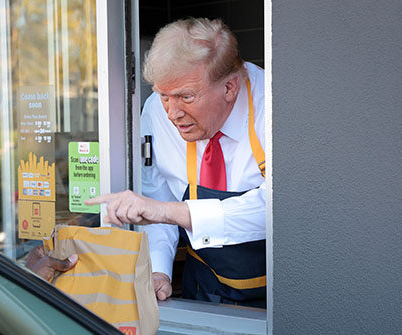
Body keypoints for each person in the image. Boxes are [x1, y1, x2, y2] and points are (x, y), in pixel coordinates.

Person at [85, 18, 266, 307]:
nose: (172, 113)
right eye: (164, 95)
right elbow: (158, 198)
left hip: (276, 295)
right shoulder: (157, 111)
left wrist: (167, 211)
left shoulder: (272, 107)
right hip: (203, 287)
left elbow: (277, 209)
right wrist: (158, 270)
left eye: (186, 97)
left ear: (230, 88)